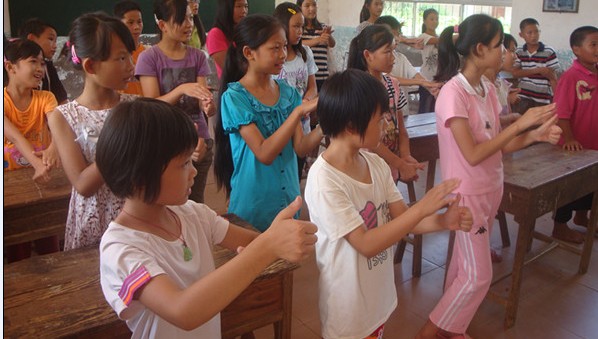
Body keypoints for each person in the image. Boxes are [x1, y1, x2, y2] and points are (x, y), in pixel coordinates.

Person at [96, 98, 317, 338]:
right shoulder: (120, 249)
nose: (193, 172)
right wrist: (266, 247)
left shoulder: (193, 214)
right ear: (140, 176)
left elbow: (254, 243)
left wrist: (278, 238)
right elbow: (182, 311)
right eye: (183, 165)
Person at [415, 15, 562, 339]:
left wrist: (535, 134)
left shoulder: (486, 88)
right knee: (479, 275)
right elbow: (472, 153)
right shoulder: (454, 93)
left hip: (490, 187)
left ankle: (452, 328)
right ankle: (427, 333)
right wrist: (522, 124)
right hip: (466, 194)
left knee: (461, 265)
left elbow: (499, 145)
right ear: (480, 49)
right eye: (498, 47)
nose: (505, 53)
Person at [304, 69, 473, 339]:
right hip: (347, 308)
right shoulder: (325, 179)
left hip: (377, 298)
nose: (387, 126)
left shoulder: (375, 164)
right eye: (380, 119)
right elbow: (366, 243)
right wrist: (423, 206)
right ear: (350, 125)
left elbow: (403, 219)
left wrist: (443, 221)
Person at [214, 14, 324, 232]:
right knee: (257, 264)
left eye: (284, 47)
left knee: (287, 264)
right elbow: (264, 153)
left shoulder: (288, 92)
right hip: (254, 204)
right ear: (249, 52)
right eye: (275, 48)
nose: (283, 54)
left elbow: (300, 147)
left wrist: (328, 124)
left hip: (288, 200)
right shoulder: (235, 97)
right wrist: (297, 112)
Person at [46, 12, 137, 251]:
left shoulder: (135, 106)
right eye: (121, 58)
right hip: (95, 222)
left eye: (130, 56)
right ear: (90, 65)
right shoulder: (63, 116)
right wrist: (124, 140)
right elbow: (83, 184)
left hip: (136, 216)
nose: (131, 66)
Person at [136, 0, 215, 204]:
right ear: (162, 25)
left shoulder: (198, 56)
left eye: (190, 17)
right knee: (165, 205)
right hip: (165, 143)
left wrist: (208, 105)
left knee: (195, 205)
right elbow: (151, 105)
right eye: (181, 19)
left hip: (198, 141)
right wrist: (181, 89)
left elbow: (203, 102)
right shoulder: (148, 58)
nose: (189, 24)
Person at [3, 39, 61, 262]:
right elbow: (15, 137)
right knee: (18, 248)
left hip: (44, 182)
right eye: (33, 62)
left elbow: (57, 124)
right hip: (11, 187)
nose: (40, 69)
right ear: (11, 67)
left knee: (50, 243)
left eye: (43, 63)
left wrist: (55, 147)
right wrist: (37, 162)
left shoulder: (46, 97)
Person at [347, 24, 424, 183]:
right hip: (366, 166)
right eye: (387, 51)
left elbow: (401, 128)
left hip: (390, 167)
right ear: (368, 55)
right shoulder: (359, 88)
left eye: (393, 51)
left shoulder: (393, 84)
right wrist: (399, 163)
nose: (393, 58)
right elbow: (368, 138)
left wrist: (405, 155)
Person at [550, 25, 598, 244]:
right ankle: (560, 226)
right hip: (573, 145)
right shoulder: (571, 77)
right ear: (576, 49)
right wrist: (568, 138)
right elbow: (562, 112)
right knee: (569, 186)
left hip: (593, 143)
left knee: (591, 182)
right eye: (594, 44)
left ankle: (582, 216)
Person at [273, 2, 318, 179]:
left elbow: (312, 86)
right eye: (296, 26)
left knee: (296, 172)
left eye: (301, 26)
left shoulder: (305, 53)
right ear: (282, 26)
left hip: (303, 123)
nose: (300, 31)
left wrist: (306, 102)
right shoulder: (275, 58)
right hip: (281, 124)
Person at [375, 15, 441, 114]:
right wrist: (420, 82)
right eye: (393, 34)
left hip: (403, 112)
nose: (396, 38)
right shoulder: (378, 60)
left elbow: (416, 75)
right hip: (386, 116)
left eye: (398, 34)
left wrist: (430, 87)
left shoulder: (401, 57)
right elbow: (388, 78)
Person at [512, 18, 560, 113]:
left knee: (540, 126)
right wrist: (537, 70)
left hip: (542, 98)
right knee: (520, 123)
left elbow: (553, 77)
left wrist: (557, 99)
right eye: (529, 33)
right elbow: (515, 73)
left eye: (536, 32)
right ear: (521, 35)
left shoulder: (548, 51)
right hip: (523, 96)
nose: (534, 36)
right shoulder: (519, 51)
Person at [19, 18, 67, 104]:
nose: (55, 46)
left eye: (56, 41)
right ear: (32, 38)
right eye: (51, 39)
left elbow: (62, 100)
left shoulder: (48, 66)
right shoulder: (14, 66)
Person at [296, 0, 335, 92]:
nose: (312, 8)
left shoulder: (322, 26)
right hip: (305, 77)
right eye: (307, 6)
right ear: (300, 7)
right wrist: (318, 40)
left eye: (314, 5)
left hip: (323, 75)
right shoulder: (299, 29)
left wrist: (328, 36)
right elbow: (298, 44)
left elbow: (332, 44)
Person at [206, 0, 248, 78]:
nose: (244, 11)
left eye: (246, 6)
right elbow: (230, 68)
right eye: (239, 6)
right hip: (231, 86)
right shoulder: (215, 34)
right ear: (227, 8)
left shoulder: (244, 32)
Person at [114, 0, 146, 95]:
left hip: (145, 106)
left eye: (139, 22)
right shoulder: (113, 55)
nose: (136, 27)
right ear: (119, 24)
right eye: (130, 23)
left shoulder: (147, 53)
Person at [419, 8, 439, 113]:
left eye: (436, 19)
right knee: (425, 108)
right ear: (424, 21)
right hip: (426, 79)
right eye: (432, 19)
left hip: (438, 79)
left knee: (435, 108)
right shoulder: (423, 37)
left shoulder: (440, 37)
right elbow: (435, 41)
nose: (435, 22)